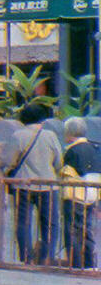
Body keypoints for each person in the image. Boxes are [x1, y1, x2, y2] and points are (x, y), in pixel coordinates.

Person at [5, 104, 63, 265]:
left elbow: (10, 162)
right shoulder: (50, 136)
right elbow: (59, 162)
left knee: (23, 222)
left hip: (23, 185)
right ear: (42, 119)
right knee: (50, 223)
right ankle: (46, 257)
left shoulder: (17, 136)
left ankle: (26, 258)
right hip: (48, 186)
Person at [61, 117, 101, 269]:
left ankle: (75, 265)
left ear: (70, 133)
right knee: (87, 230)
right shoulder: (96, 148)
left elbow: (66, 173)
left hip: (74, 195)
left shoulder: (72, 150)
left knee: (72, 231)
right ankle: (89, 264)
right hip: (92, 196)